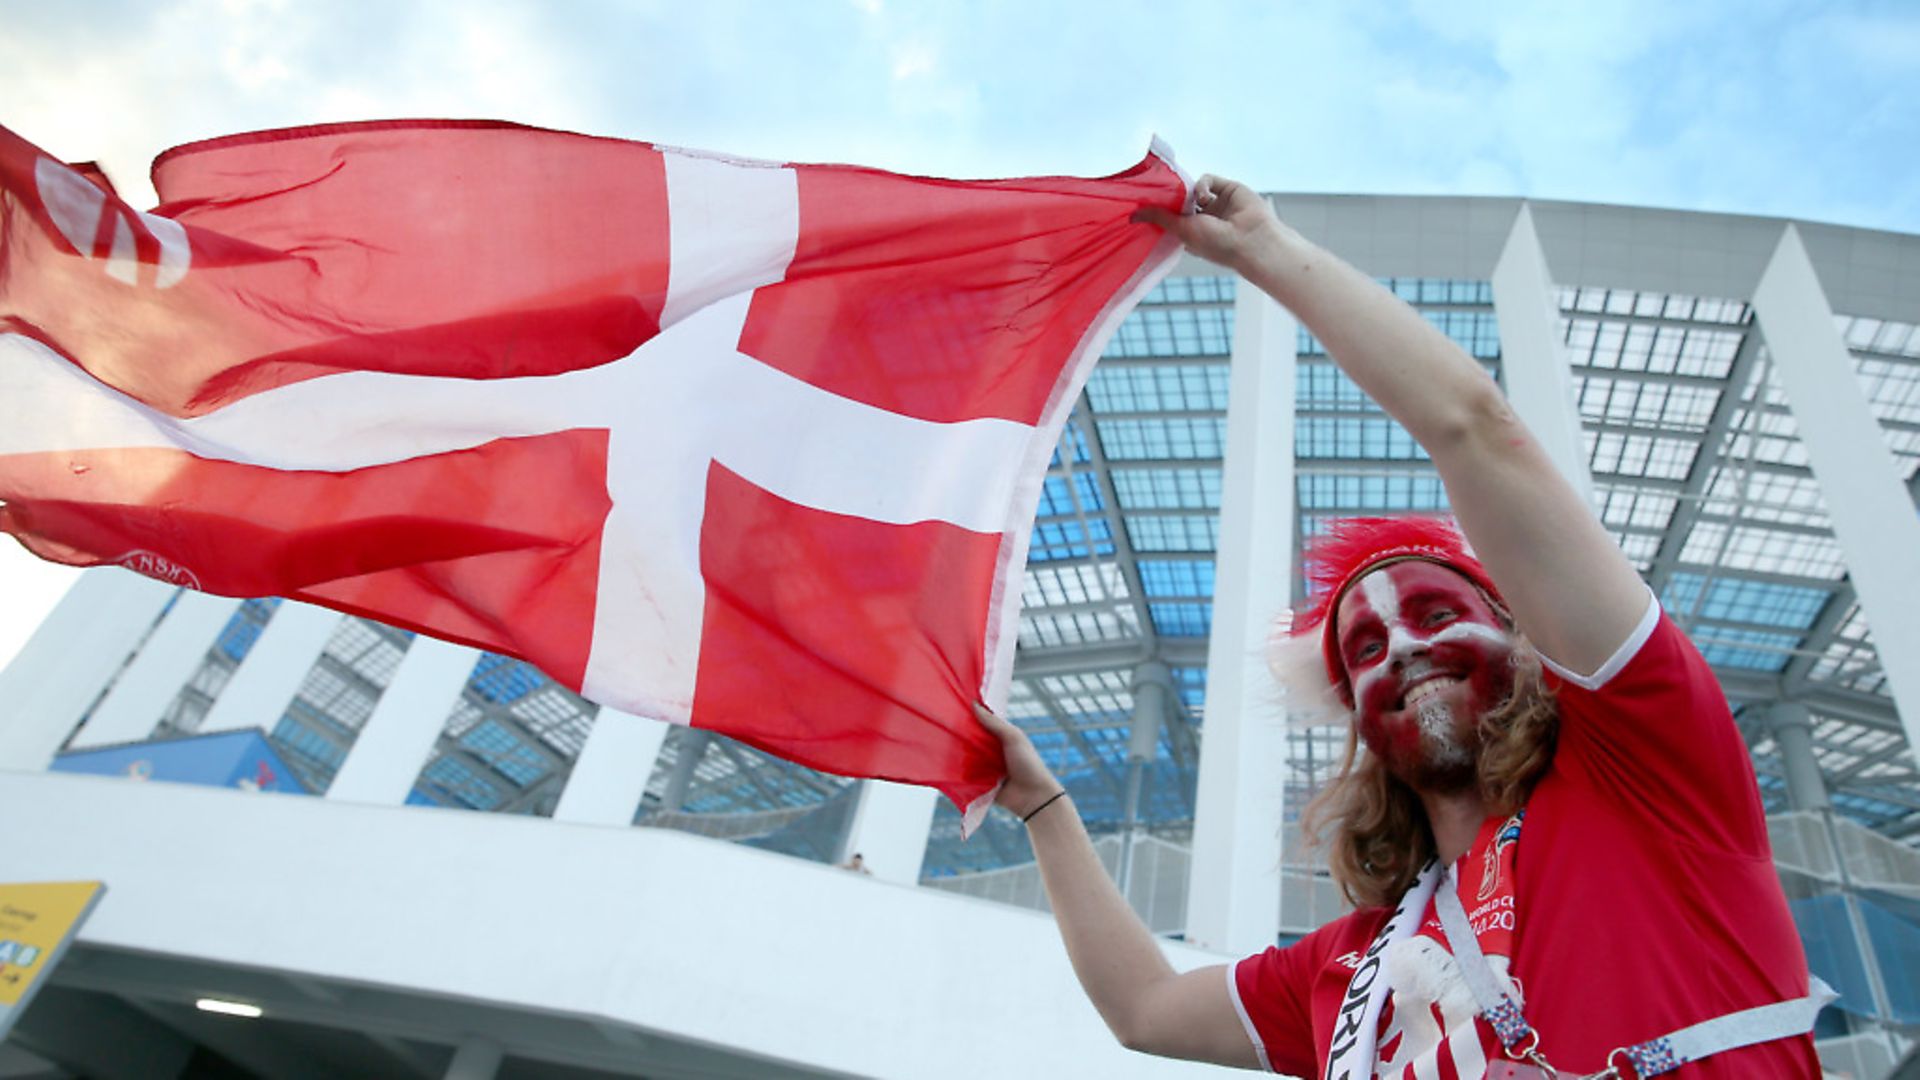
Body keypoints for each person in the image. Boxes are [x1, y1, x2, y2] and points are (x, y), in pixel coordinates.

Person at [974, 177, 1827, 1077]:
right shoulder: (1349, 962)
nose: (1407, 649)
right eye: (1366, 651)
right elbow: (1144, 1009)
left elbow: (1476, 430)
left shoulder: (1651, 774)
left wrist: (1262, 249)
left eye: (1436, 613)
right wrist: (1040, 805)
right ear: (1361, 723)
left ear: (1524, 640)